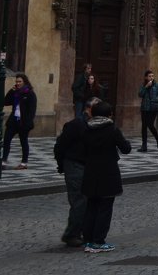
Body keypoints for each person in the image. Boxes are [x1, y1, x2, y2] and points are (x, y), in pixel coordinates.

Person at [80, 99, 133, 253]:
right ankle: (98, 241)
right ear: (109, 115)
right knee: (105, 208)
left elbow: (83, 150)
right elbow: (126, 149)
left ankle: (88, 240)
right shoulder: (112, 129)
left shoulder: (86, 129)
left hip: (90, 171)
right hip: (108, 172)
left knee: (91, 206)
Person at [54, 97, 96, 247]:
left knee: (86, 200)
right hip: (74, 165)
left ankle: (82, 232)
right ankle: (71, 234)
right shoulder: (76, 124)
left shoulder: (94, 125)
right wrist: (61, 165)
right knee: (80, 200)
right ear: (89, 108)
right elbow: (60, 146)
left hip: (86, 166)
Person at [2, 73, 36, 169]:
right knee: (6, 140)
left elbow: (32, 111)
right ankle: (4, 161)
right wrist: (11, 90)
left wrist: (28, 123)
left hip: (23, 123)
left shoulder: (30, 94)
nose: (18, 83)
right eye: (16, 81)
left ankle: (24, 163)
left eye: (20, 81)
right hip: (13, 121)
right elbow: (5, 102)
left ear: (24, 82)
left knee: (23, 142)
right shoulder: (15, 92)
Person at [138, 69, 158, 152]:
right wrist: (146, 87)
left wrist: (156, 100)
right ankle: (144, 146)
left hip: (154, 108)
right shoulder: (143, 85)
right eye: (149, 76)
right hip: (145, 108)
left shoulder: (157, 85)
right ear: (146, 77)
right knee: (144, 127)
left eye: (152, 76)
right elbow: (140, 94)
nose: (151, 78)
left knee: (150, 124)